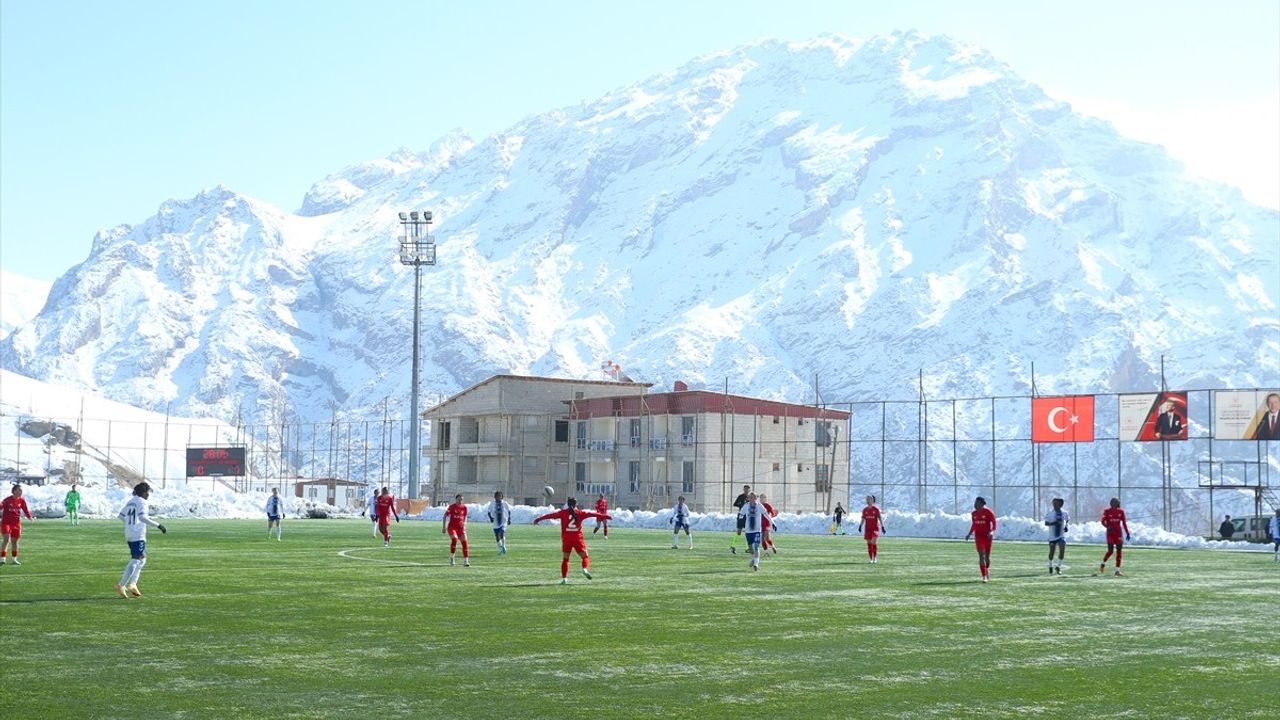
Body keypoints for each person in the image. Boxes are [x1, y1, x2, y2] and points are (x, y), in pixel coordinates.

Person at [533, 497, 611, 584]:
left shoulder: (563, 513)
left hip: (566, 539)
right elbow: (592, 514)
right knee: (585, 557)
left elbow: (550, 515)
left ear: (568, 504)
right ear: (576, 504)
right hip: (577, 539)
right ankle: (584, 568)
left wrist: (539, 519)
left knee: (565, 559)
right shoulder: (580, 513)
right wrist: (606, 516)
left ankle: (564, 579)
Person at [115, 482, 166, 597]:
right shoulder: (142, 502)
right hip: (137, 534)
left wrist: (129, 524)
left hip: (129, 533)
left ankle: (133, 584)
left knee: (142, 559)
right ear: (143, 493)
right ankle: (121, 585)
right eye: (147, 492)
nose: (148, 494)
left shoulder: (131, 501)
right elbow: (142, 517)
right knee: (136, 559)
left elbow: (121, 515)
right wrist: (158, 525)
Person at [964, 496, 997, 583]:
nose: (975, 505)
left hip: (987, 537)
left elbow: (994, 523)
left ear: (981, 504)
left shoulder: (988, 512)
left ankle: (986, 569)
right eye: (974, 503)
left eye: (976, 503)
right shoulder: (974, 514)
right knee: (981, 556)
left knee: (987, 557)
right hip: (978, 537)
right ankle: (984, 576)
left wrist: (992, 532)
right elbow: (974, 525)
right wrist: (969, 534)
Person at [1, 484, 35, 566]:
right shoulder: (8, 500)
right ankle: (2, 559)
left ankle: (14, 559)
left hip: (16, 523)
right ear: (14, 491)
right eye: (19, 490)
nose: (21, 492)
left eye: (21, 490)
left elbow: (25, 509)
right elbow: (1, 505)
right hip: (6, 523)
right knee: (6, 539)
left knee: (15, 541)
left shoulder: (21, 500)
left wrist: (29, 517)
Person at [736, 492, 771, 571]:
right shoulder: (746, 506)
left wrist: (772, 522)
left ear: (756, 498)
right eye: (750, 497)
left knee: (756, 547)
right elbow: (741, 514)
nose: (751, 499)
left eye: (752, 497)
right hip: (748, 531)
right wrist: (740, 519)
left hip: (757, 530)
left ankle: (756, 564)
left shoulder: (759, 506)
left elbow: (765, 514)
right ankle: (753, 558)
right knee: (750, 548)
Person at [1098, 497, 1131, 576]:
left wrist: (1127, 533)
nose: (1113, 504)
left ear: (1117, 504)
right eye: (1112, 503)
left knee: (1119, 551)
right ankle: (1103, 563)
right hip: (1110, 534)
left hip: (1118, 534)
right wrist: (1108, 527)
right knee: (1110, 551)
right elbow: (1102, 521)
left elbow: (1124, 523)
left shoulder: (1121, 511)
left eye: (1115, 503)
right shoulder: (1107, 511)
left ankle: (1117, 571)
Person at [443, 493, 470, 566]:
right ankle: (452, 558)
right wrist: (444, 527)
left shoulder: (464, 508)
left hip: (461, 528)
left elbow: (465, 517)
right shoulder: (452, 507)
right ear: (456, 499)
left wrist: (464, 525)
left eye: (461, 499)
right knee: (454, 539)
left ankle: (466, 561)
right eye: (459, 499)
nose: (460, 501)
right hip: (452, 528)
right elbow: (445, 516)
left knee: (465, 543)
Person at [1043, 497, 1069, 575]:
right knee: (1052, 552)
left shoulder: (1064, 513)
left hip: (1061, 536)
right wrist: (1053, 523)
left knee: (1062, 549)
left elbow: (1067, 520)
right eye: (1053, 503)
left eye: (1056, 503)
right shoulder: (1050, 514)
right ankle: (1050, 565)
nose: (1054, 505)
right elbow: (1046, 523)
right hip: (1052, 536)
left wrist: (1066, 526)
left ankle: (1058, 567)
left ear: (1061, 504)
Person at [857, 495, 886, 563]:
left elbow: (880, 518)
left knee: (873, 542)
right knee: (869, 543)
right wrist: (860, 526)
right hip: (867, 529)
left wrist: (882, 527)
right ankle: (871, 559)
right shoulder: (865, 510)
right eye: (867, 499)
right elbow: (863, 519)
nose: (867, 500)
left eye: (869, 499)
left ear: (873, 500)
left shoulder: (876, 509)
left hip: (875, 529)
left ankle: (875, 558)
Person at [485, 491, 513, 555]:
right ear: (495, 497)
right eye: (497, 496)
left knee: (501, 533)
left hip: (503, 521)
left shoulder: (504, 503)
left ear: (501, 497)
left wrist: (509, 519)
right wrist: (491, 518)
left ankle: (504, 545)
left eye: (499, 496)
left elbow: (509, 511)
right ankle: (501, 549)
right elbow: (489, 511)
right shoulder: (492, 503)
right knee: (497, 536)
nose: (498, 497)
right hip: (496, 522)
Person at [729, 484, 751, 554]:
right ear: (743, 489)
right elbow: (735, 504)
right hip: (741, 515)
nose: (746, 490)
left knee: (748, 532)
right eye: (745, 489)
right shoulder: (741, 496)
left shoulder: (750, 497)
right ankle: (733, 546)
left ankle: (748, 548)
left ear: (749, 490)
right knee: (739, 531)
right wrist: (741, 505)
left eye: (747, 489)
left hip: (748, 516)